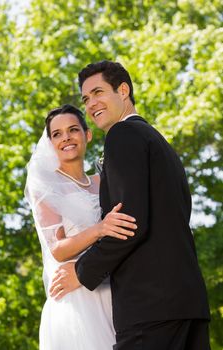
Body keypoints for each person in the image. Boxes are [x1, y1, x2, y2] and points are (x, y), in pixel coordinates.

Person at [50, 61, 211, 350]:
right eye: (86, 98)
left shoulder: (123, 135)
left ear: (123, 90)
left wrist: (82, 271)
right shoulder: (159, 142)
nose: (91, 103)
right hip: (187, 304)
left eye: (98, 92)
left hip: (150, 309)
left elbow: (129, 223)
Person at [25, 103, 137, 350]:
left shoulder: (104, 179)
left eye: (73, 129)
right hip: (76, 301)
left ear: (87, 135)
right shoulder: (45, 187)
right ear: (50, 143)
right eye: (57, 134)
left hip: (115, 292)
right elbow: (58, 249)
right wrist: (99, 229)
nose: (66, 137)